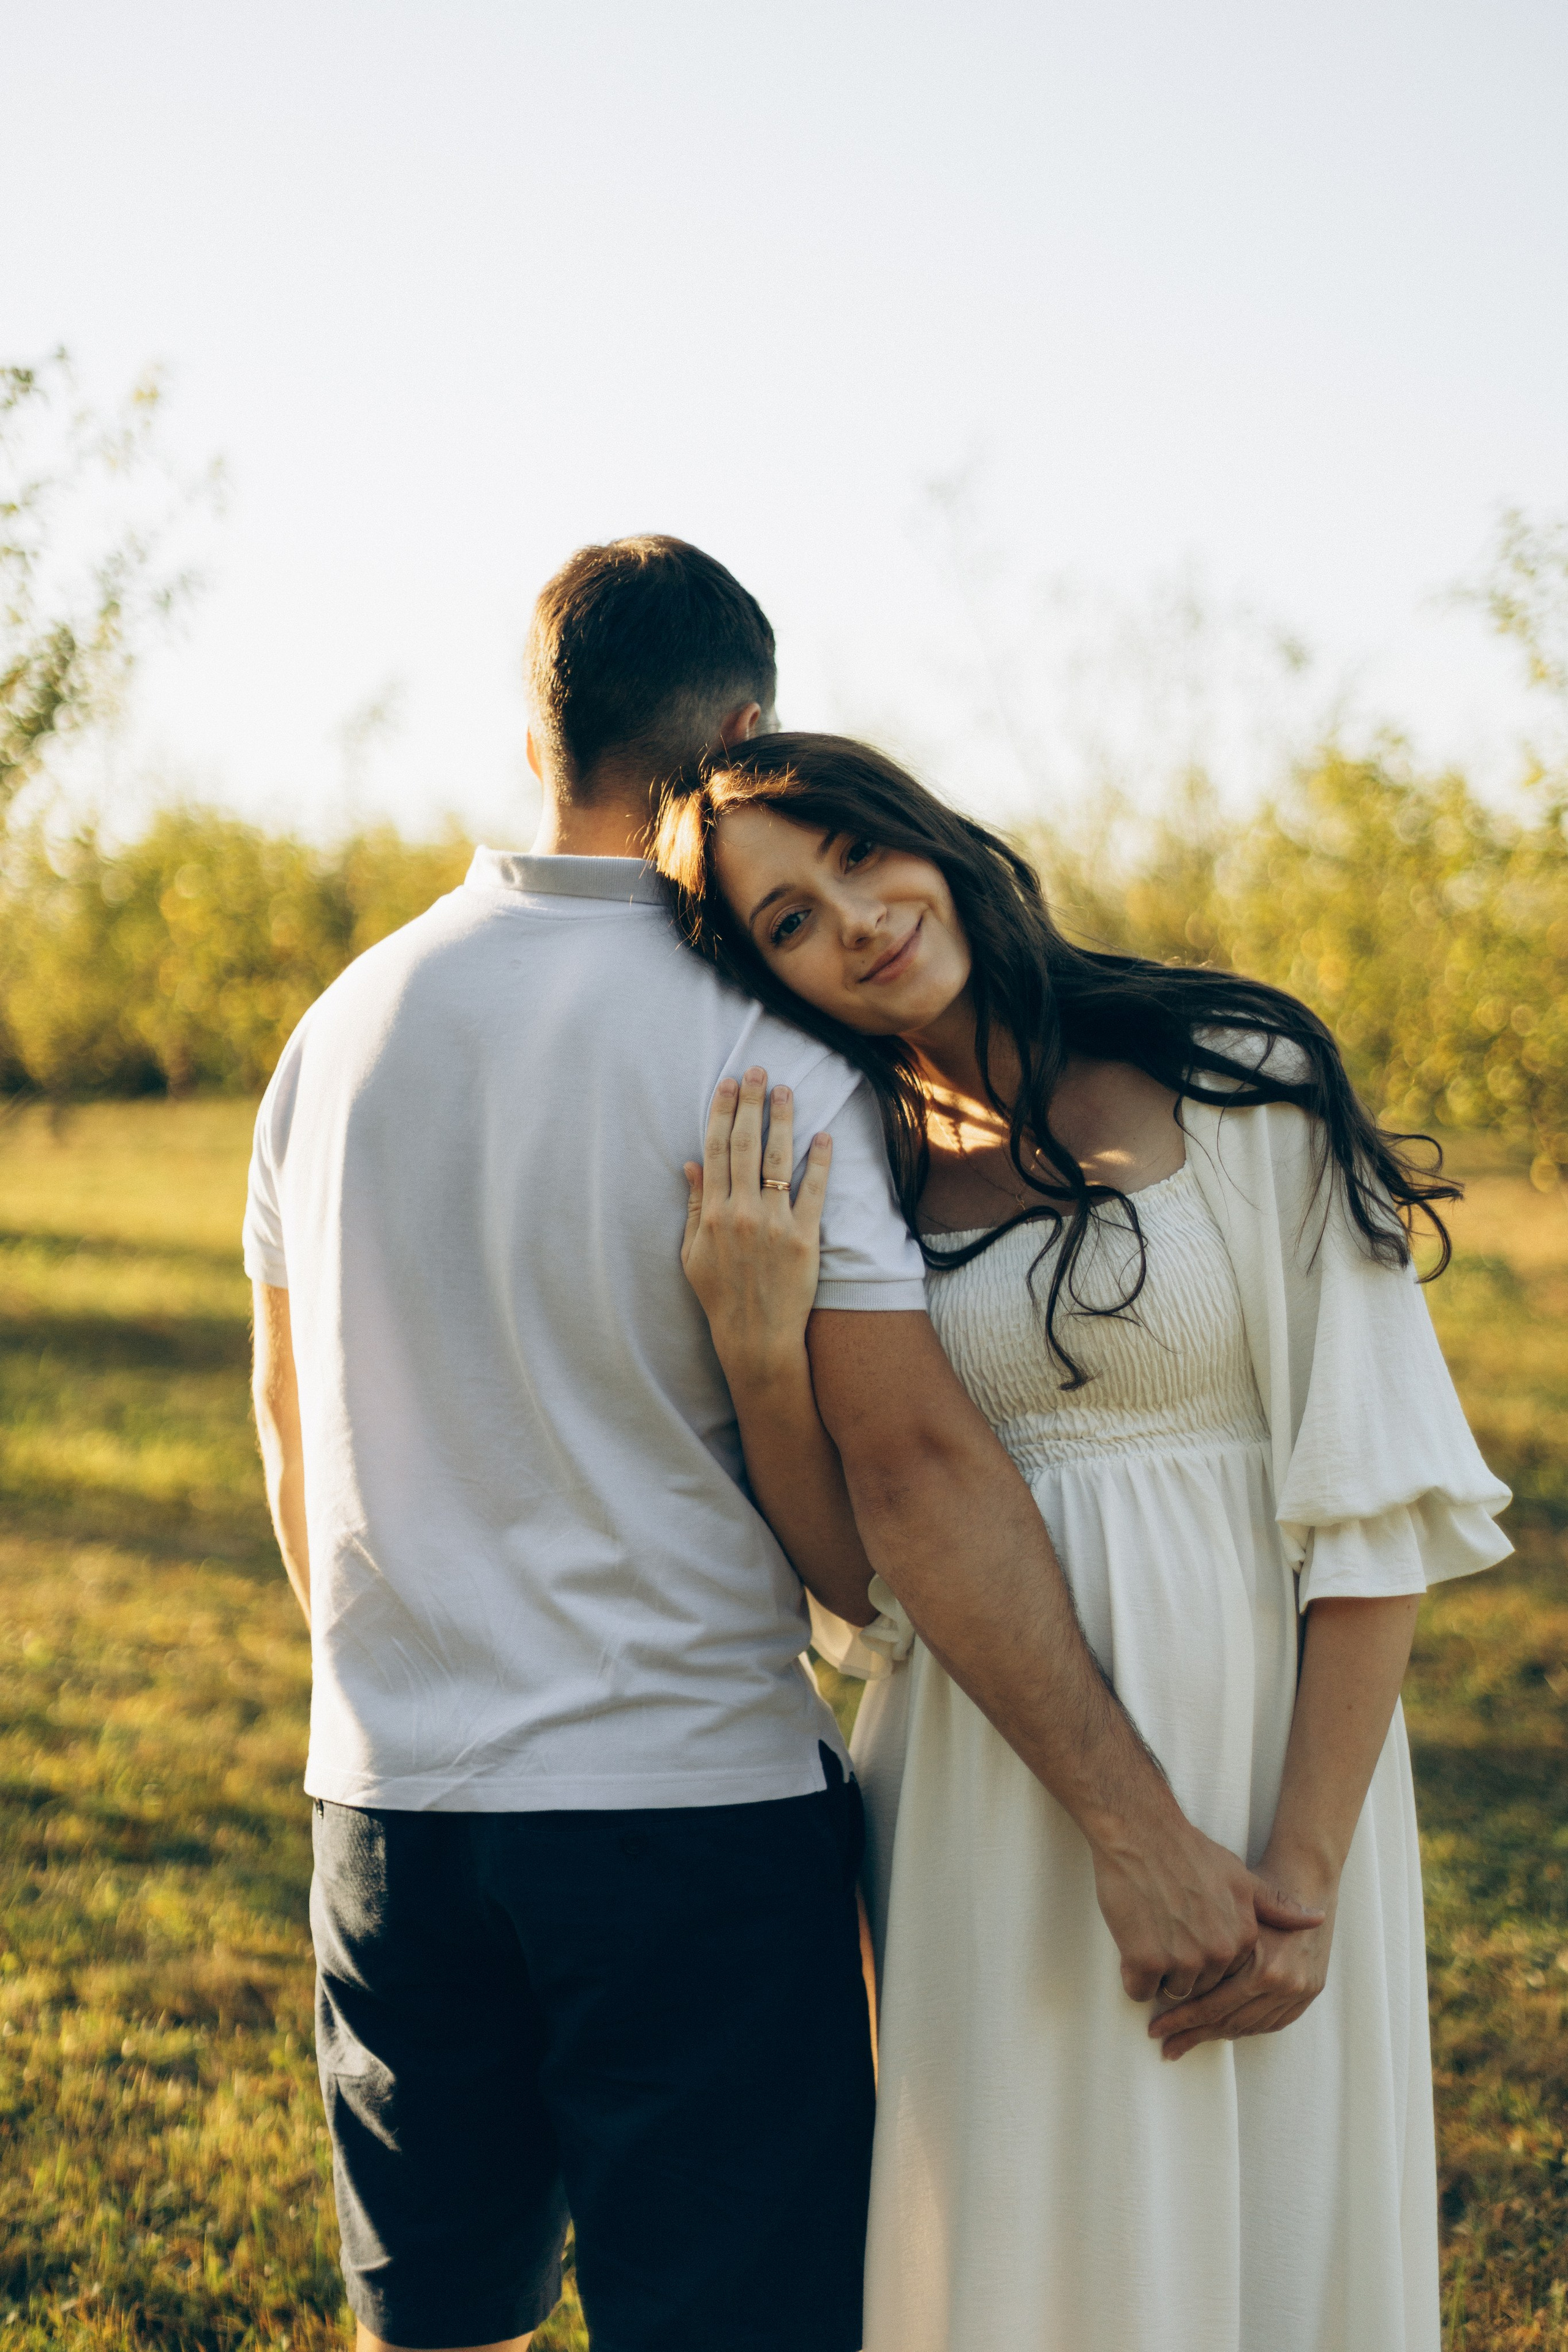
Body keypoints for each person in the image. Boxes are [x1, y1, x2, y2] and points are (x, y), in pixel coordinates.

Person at [244, 540, 1305, 2352]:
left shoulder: (336, 1034)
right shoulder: (768, 1055)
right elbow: (916, 1473)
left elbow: (292, 1436)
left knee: (442, 2325)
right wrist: (1139, 1827)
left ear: (536, 737)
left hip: (389, 1812)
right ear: (747, 734)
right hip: (690, 1821)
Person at [655, 731, 1513, 2352]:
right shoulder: (855, 1174)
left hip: (1269, 1774)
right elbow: (862, 1589)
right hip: (984, 1788)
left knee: (1280, 2235)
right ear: (766, 979)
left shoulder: (1238, 1066)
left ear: (928, 834)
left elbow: (1371, 1504)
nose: (854, 918)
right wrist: (763, 1360)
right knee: (1034, 2251)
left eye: (855, 851)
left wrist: (1305, 1875)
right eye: (787, 922)